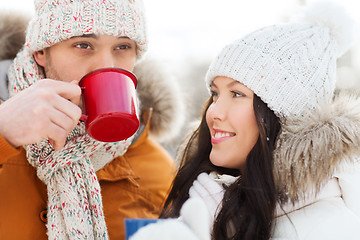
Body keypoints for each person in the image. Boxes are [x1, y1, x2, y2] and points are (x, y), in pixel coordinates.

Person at [130, 1, 360, 240]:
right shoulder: (209, 200)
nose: (214, 112)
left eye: (237, 94)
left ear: (286, 115)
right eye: (215, 94)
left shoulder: (327, 228)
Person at [0, 0, 184, 239]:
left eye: (122, 47)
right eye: (84, 44)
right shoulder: (5, 131)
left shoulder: (156, 171)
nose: (106, 65)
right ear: (41, 52)